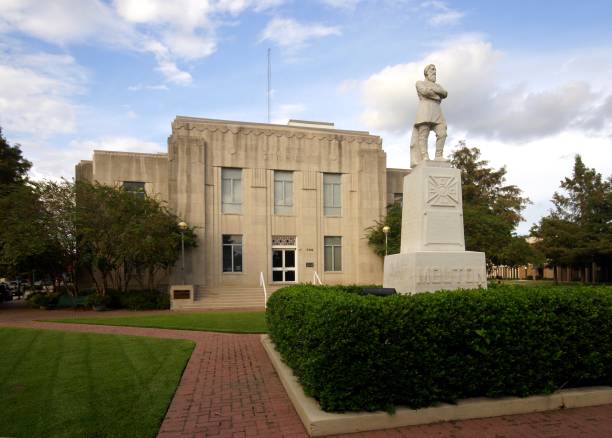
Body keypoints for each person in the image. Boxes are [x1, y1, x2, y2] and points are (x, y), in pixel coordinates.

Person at [409, 64, 448, 167]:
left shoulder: (438, 85)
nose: (434, 72)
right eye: (432, 70)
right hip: (425, 110)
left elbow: (445, 93)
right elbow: (425, 92)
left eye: (435, 70)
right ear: (426, 72)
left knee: (442, 133)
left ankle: (438, 155)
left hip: (437, 111)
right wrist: (437, 96)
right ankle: (424, 156)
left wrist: (435, 92)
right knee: (423, 134)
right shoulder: (419, 83)